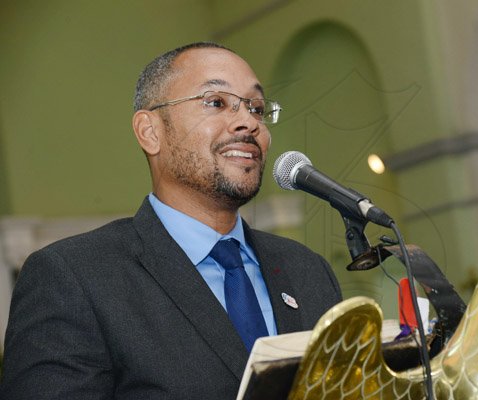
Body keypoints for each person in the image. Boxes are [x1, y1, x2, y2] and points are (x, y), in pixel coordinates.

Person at [0, 42, 342, 399]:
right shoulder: (74, 278)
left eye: (256, 108)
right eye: (216, 102)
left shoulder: (308, 271)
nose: (248, 123)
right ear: (150, 131)